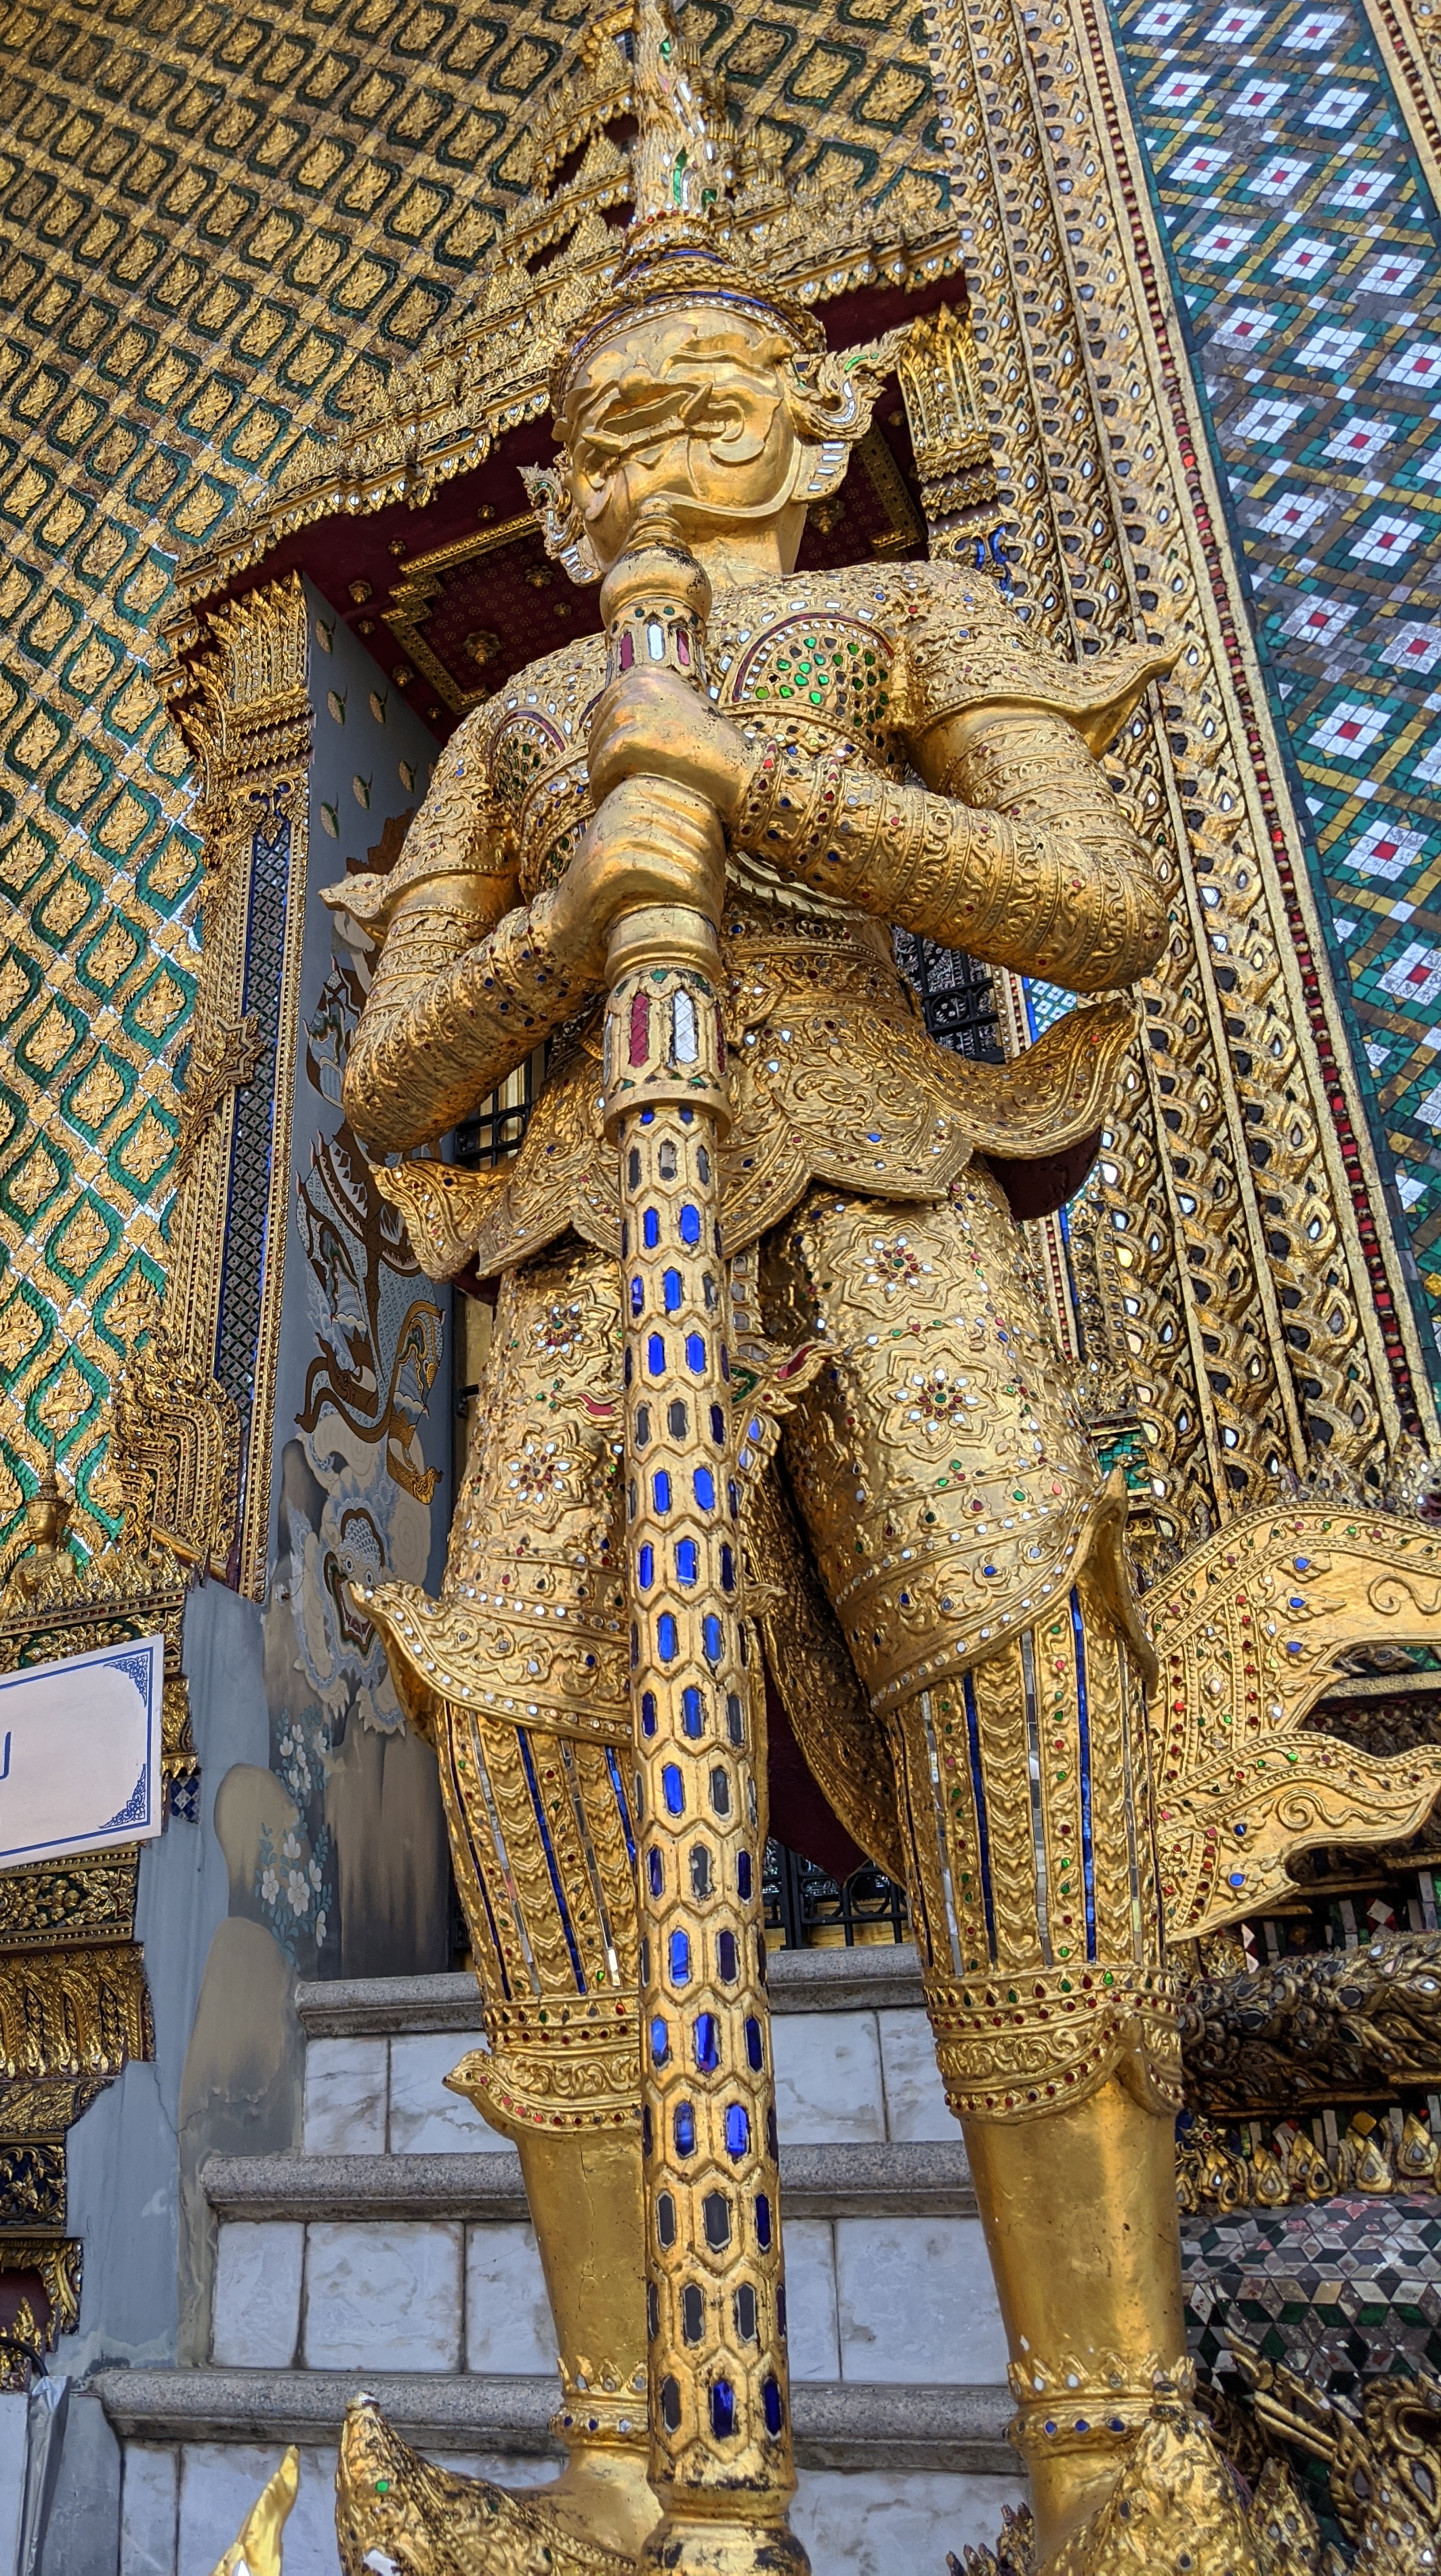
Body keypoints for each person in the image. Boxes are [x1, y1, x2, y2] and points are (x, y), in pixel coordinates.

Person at [333, 221, 1221, 2569]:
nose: (659, 449)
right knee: (523, 1743)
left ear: (820, 423)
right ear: (549, 499)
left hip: (871, 1165)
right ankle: (650, 2460)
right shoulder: (506, 736)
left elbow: (1094, 899)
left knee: (1012, 1689)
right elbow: (386, 1082)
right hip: (579, 1237)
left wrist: (759, 789)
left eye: (717, 395)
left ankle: (1113, 2455)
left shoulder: (913, 619)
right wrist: (568, 899)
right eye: (608, 425)